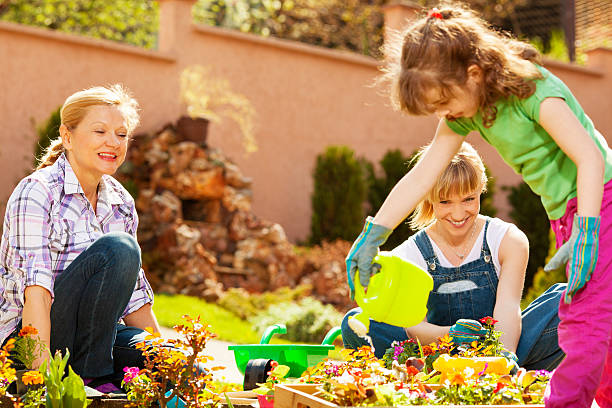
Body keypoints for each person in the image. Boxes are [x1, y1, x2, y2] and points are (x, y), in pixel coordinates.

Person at [345, 3, 612, 407]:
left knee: (583, 321)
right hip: (571, 215)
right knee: (599, 321)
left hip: (601, 200)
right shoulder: (467, 110)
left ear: (472, 74)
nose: (443, 114)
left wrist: (589, 229)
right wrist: (373, 233)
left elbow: (590, 158)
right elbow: (422, 176)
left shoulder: (533, 90)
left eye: (444, 102)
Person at [342, 142, 564, 372]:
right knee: (356, 322)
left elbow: (508, 308)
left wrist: (503, 360)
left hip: (503, 347)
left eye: (468, 199)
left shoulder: (508, 240)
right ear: (429, 197)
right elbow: (412, 327)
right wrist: (451, 335)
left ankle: (510, 373)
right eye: (445, 202)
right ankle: (425, 376)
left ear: (481, 190)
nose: (458, 214)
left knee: (571, 301)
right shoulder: (412, 253)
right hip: (435, 354)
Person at [0, 85, 159, 392]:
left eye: (121, 134)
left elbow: (136, 300)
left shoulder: (121, 202)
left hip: (94, 339)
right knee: (119, 249)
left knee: (163, 360)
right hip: (29, 340)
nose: (112, 142)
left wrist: (173, 368)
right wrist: (40, 381)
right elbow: (37, 296)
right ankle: (91, 379)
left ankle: (92, 373)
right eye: (100, 131)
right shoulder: (38, 192)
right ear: (68, 137)